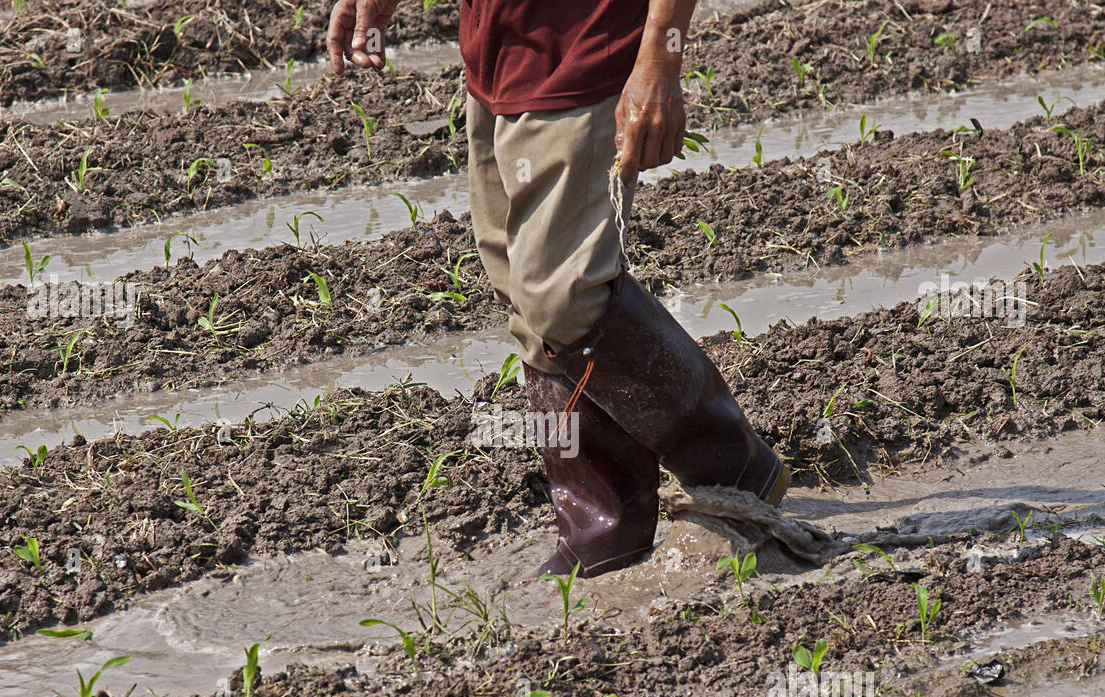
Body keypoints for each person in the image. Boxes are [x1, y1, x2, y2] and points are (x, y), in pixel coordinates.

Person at [327, 0, 788, 578]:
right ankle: (604, 525)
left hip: (584, 52)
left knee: (564, 294)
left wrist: (660, 60)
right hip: (498, 56)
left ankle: (731, 463)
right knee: (523, 294)